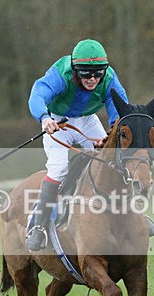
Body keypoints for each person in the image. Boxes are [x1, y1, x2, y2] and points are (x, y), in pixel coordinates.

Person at [24, 38, 130, 251]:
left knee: (112, 160)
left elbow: (118, 105)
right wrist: (45, 118)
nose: (92, 79)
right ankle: (39, 226)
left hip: (88, 120)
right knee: (59, 167)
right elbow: (37, 94)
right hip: (58, 121)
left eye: (97, 74)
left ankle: (132, 213)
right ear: (75, 70)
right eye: (86, 74)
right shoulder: (60, 73)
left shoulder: (108, 77)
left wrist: (111, 133)